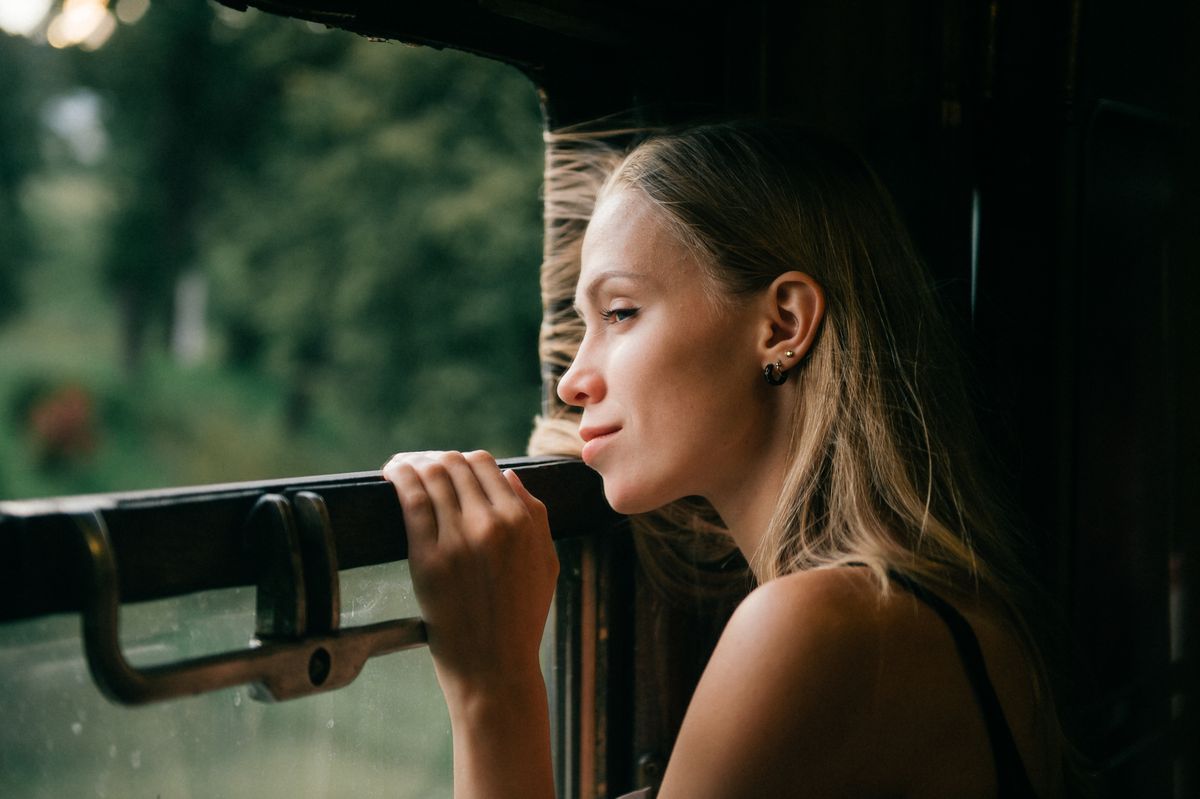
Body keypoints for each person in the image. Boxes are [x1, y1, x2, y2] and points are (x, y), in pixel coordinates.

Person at [383, 120, 1065, 798]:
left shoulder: (823, 625)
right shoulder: (940, 607)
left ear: (783, 326)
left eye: (620, 313)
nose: (572, 380)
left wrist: (493, 688)